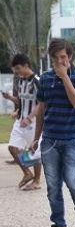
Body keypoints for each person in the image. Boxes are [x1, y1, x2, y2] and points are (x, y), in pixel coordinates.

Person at [32, 38, 75, 227]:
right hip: (49, 140)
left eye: (63, 57)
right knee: (53, 186)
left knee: (73, 181)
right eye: (55, 58)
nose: (59, 61)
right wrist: (36, 137)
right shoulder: (45, 79)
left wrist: (65, 77)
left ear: (70, 57)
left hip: (72, 139)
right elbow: (41, 109)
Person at [2, 54, 42, 191]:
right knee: (12, 147)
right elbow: (22, 101)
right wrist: (10, 99)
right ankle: (27, 173)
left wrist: (30, 117)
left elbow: (42, 104)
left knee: (35, 152)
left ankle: (37, 181)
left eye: (18, 68)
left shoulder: (37, 81)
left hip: (34, 122)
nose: (17, 72)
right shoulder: (21, 81)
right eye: (15, 70)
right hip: (20, 121)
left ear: (26, 65)